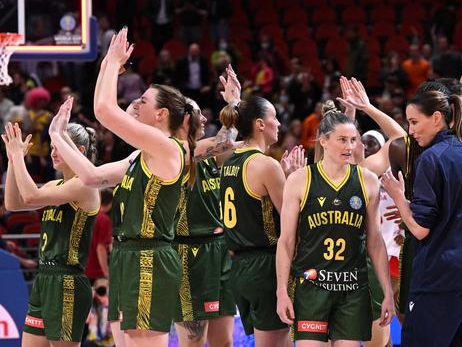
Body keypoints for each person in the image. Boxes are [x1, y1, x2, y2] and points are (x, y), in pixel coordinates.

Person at [48, 28, 203, 347]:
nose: (136, 103)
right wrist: (58, 138)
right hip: (128, 255)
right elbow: (91, 177)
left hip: (150, 256)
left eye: (143, 100)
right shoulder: (139, 155)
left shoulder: (168, 147)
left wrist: (110, 62)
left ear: (161, 114)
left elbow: (104, 111)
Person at [382, 89, 462, 346]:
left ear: (436, 118)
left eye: (414, 122)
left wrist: (399, 200)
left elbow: (421, 230)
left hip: (440, 279)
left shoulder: (431, 159)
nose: (410, 131)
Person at [276, 102, 394, 346]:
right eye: (342, 140)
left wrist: (387, 292)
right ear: (323, 141)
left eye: (353, 140)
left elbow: (375, 241)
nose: (349, 146)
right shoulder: (300, 180)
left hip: (352, 288)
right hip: (311, 284)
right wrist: (281, 291)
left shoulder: (368, 180)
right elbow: (286, 241)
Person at [218, 94, 305, 347]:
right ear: (259, 124)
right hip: (266, 267)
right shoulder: (266, 165)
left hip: (239, 267)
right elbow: (291, 219)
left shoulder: (229, 162)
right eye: (274, 118)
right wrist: (296, 180)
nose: (279, 123)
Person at [3, 121, 99, 347]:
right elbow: (13, 203)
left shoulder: (85, 185)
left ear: (79, 151)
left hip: (68, 280)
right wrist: (11, 159)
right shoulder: (54, 184)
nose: (53, 152)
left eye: (57, 147)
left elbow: (31, 197)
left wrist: (19, 157)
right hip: (44, 277)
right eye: (53, 146)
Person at [172, 96, 240, 347]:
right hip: (189, 253)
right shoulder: (176, 152)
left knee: (224, 342)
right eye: (199, 114)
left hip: (219, 249)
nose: (205, 119)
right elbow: (227, 141)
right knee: (193, 343)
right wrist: (233, 102)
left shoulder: (209, 155)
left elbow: (230, 145)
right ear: (185, 118)